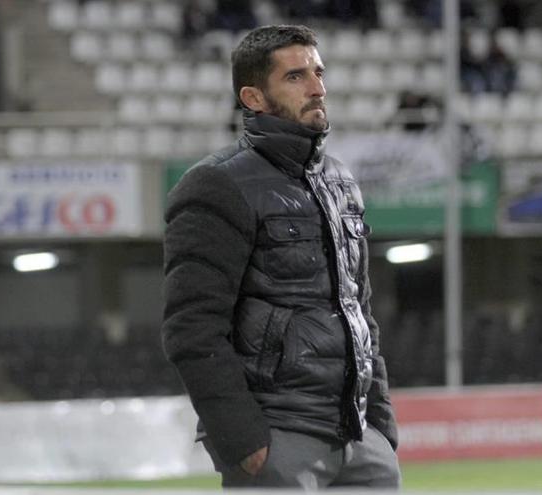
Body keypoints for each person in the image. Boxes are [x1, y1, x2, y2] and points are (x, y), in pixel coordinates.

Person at [161, 25, 400, 489]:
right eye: (295, 77)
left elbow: (360, 310)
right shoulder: (216, 184)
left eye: (318, 72)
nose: (317, 87)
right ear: (253, 97)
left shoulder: (340, 181)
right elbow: (191, 326)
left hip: (360, 438)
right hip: (279, 438)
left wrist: (382, 426)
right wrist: (243, 441)